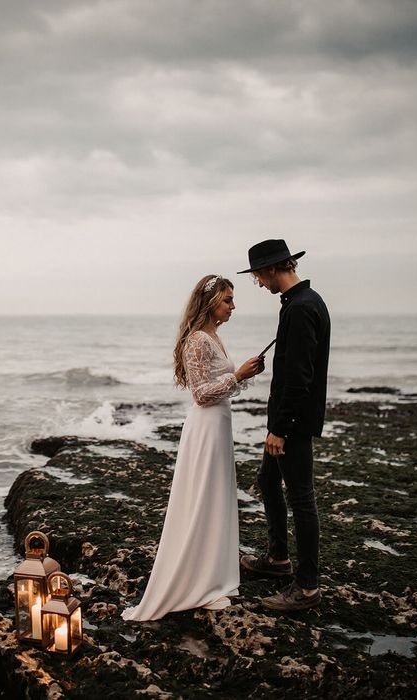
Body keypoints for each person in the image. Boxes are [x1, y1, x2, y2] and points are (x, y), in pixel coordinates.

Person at [122, 274, 264, 621]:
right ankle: (197, 581)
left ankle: (213, 577)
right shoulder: (197, 340)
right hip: (205, 428)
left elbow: (218, 385)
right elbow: (201, 394)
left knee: (216, 499)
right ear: (210, 302)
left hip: (219, 426)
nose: (233, 306)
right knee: (202, 500)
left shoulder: (214, 336)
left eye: (232, 299)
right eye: (228, 299)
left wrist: (243, 373)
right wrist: (239, 375)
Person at [238, 239, 330, 612]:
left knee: (302, 500)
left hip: (292, 424)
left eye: (259, 275)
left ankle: (307, 587)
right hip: (284, 419)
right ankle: (278, 559)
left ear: (273, 269)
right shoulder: (300, 303)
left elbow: (299, 378)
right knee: (266, 481)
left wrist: (280, 430)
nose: (259, 283)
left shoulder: (301, 309)